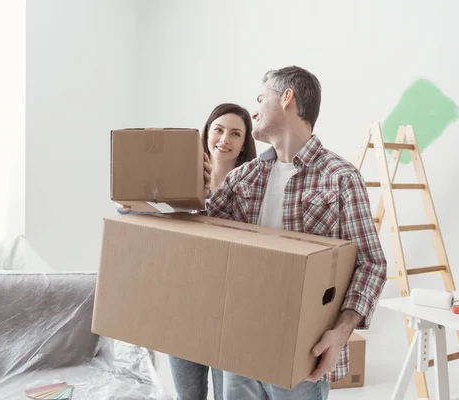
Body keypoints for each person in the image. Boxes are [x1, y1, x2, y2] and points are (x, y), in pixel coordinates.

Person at [205, 66, 387, 400]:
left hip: (302, 356)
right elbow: (198, 232)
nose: (255, 110)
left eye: (261, 98)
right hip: (238, 346)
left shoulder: (340, 178)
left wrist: (342, 332)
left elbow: (371, 264)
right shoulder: (244, 177)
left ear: (286, 98)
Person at [117, 103, 257, 400]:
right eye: (218, 129)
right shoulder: (180, 179)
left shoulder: (250, 189)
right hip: (183, 306)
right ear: (206, 133)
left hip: (227, 310)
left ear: (245, 143)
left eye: (235, 133)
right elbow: (155, 221)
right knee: (188, 397)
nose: (224, 139)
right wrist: (127, 206)